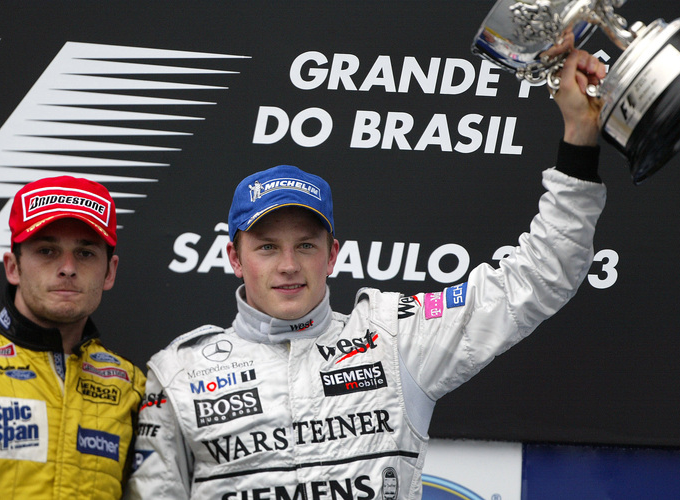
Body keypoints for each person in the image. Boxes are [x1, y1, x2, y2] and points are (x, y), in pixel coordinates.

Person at [125, 48, 607, 499]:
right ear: (234, 257)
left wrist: (580, 138)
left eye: (306, 246)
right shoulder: (179, 373)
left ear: (332, 255)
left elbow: (541, 274)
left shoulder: (392, 337)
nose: (289, 265)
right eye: (267, 247)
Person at [0, 176, 146, 499]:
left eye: (86, 253)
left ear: (110, 272)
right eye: (47, 250)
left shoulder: (129, 386)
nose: (67, 268)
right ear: (13, 267)